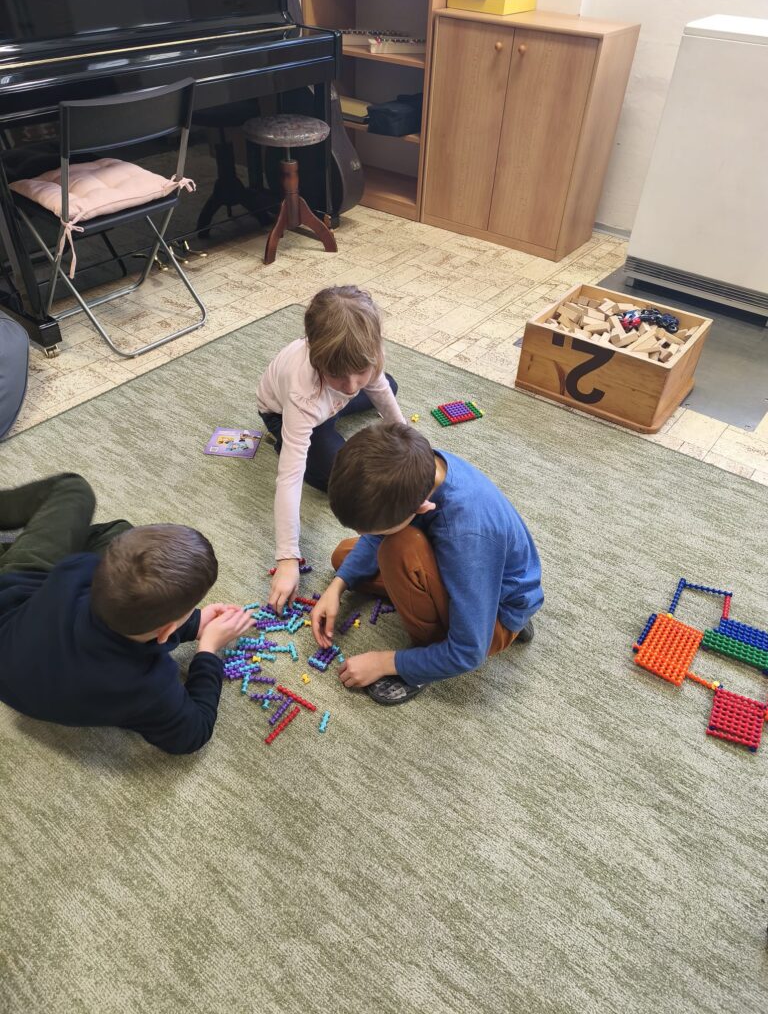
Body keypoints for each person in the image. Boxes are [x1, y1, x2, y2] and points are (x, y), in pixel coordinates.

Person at [0, 473, 254, 753]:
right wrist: (208, 650)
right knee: (115, 535)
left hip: (17, 610)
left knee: (78, 493)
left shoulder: (76, 571)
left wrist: (194, 622)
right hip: (23, 646)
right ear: (167, 631)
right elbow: (193, 734)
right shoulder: (149, 686)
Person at [311, 423, 544, 705]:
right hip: (471, 568)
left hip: (497, 613)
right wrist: (336, 588)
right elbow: (374, 540)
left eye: (375, 531)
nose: (365, 536)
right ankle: (462, 609)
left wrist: (386, 662)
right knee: (344, 558)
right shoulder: (419, 466)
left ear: (421, 507)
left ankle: (429, 657)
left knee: (398, 547)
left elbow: (469, 652)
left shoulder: (466, 535)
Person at [257, 285, 405, 612]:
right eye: (338, 376)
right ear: (317, 359)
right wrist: (287, 558)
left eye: (360, 372)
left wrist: (409, 444)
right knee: (343, 480)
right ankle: (284, 442)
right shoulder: (303, 394)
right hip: (285, 414)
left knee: (388, 385)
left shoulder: (364, 362)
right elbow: (289, 478)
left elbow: (378, 389)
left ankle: (333, 408)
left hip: (327, 406)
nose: (352, 386)